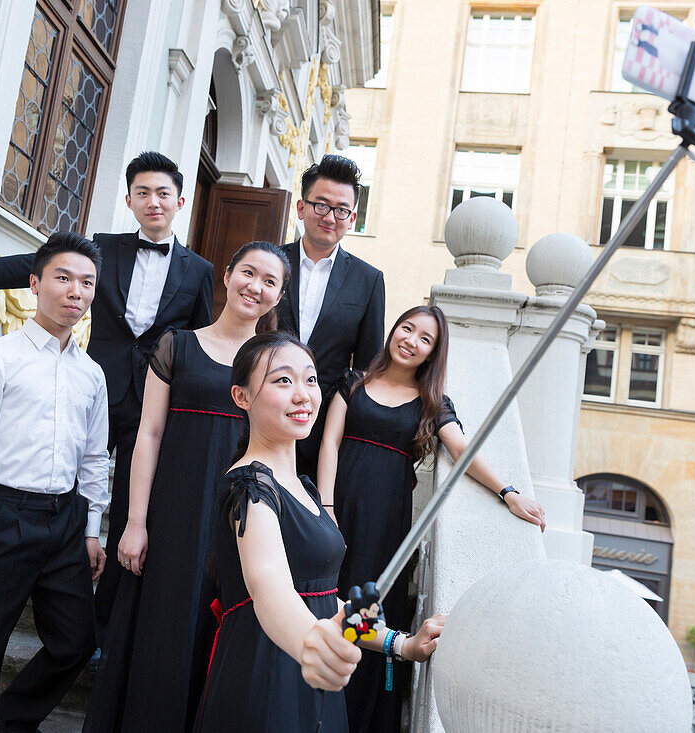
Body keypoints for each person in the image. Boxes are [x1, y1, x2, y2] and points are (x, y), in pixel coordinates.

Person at [0, 151, 215, 633]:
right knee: (63, 486)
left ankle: (106, 625)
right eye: (143, 193)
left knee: (133, 512)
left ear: (180, 201)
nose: (154, 202)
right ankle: (45, 577)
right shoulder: (102, 249)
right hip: (89, 386)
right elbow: (34, 265)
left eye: (163, 193)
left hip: (152, 406)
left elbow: (201, 340)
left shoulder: (200, 270)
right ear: (129, 199)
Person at [85, 241, 291, 732]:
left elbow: (285, 446)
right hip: (172, 512)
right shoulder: (176, 344)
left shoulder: (278, 363)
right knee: (161, 631)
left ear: (278, 296)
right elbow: (148, 436)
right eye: (248, 273)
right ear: (226, 274)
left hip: (241, 517)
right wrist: (133, 523)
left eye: (269, 282)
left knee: (222, 632)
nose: (254, 287)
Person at [197, 331, 446, 732]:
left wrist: (401, 644)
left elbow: (324, 602)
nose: (303, 395)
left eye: (310, 379)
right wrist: (310, 643)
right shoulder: (250, 487)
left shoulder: (304, 487)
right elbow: (268, 585)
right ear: (242, 397)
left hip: (314, 676)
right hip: (267, 675)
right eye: (282, 380)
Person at [316, 305, 546, 733]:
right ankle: (313, 704)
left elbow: (462, 451)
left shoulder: (432, 402)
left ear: (432, 354)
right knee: (325, 599)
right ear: (393, 331)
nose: (412, 341)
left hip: (386, 528)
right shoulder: (353, 382)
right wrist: (326, 509)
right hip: (336, 512)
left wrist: (508, 492)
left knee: (365, 609)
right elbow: (329, 443)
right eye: (407, 329)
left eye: (426, 339)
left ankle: (351, 715)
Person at [0, 233, 110, 733]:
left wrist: (91, 529)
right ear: (34, 284)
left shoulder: (91, 374)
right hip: (4, 516)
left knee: (76, 643)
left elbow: (95, 457)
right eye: (62, 278)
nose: (74, 291)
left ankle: (10, 722)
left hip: (66, 521)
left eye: (86, 283)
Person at [277, 155, 386, 480]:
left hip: (321, 428)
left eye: (341, 210)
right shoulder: (269, 261)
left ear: (352, 217)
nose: (330, 216)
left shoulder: (368, 280)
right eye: (320, 205)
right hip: (257, 413)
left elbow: (367, 366)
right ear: (301, 208)